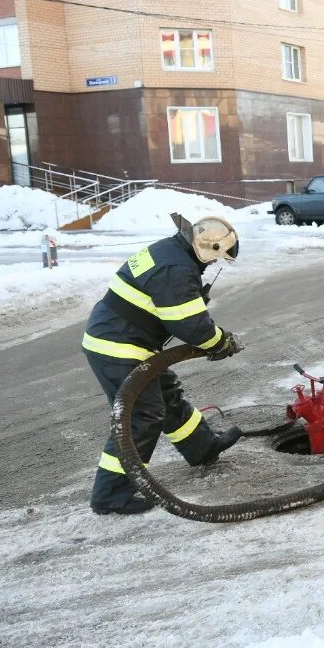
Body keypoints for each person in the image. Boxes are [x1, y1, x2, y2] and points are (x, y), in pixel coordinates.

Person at [82, 213, 244, 515]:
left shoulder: (171, 250)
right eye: (215, 258)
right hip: (117, 345)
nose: (213, 265)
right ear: (206, 248)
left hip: (127, 340)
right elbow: (191, 325)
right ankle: (111, 495)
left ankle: (203, 447)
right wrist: (221, 342)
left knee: (167, 396)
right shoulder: (177, 269)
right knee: (143, 414)